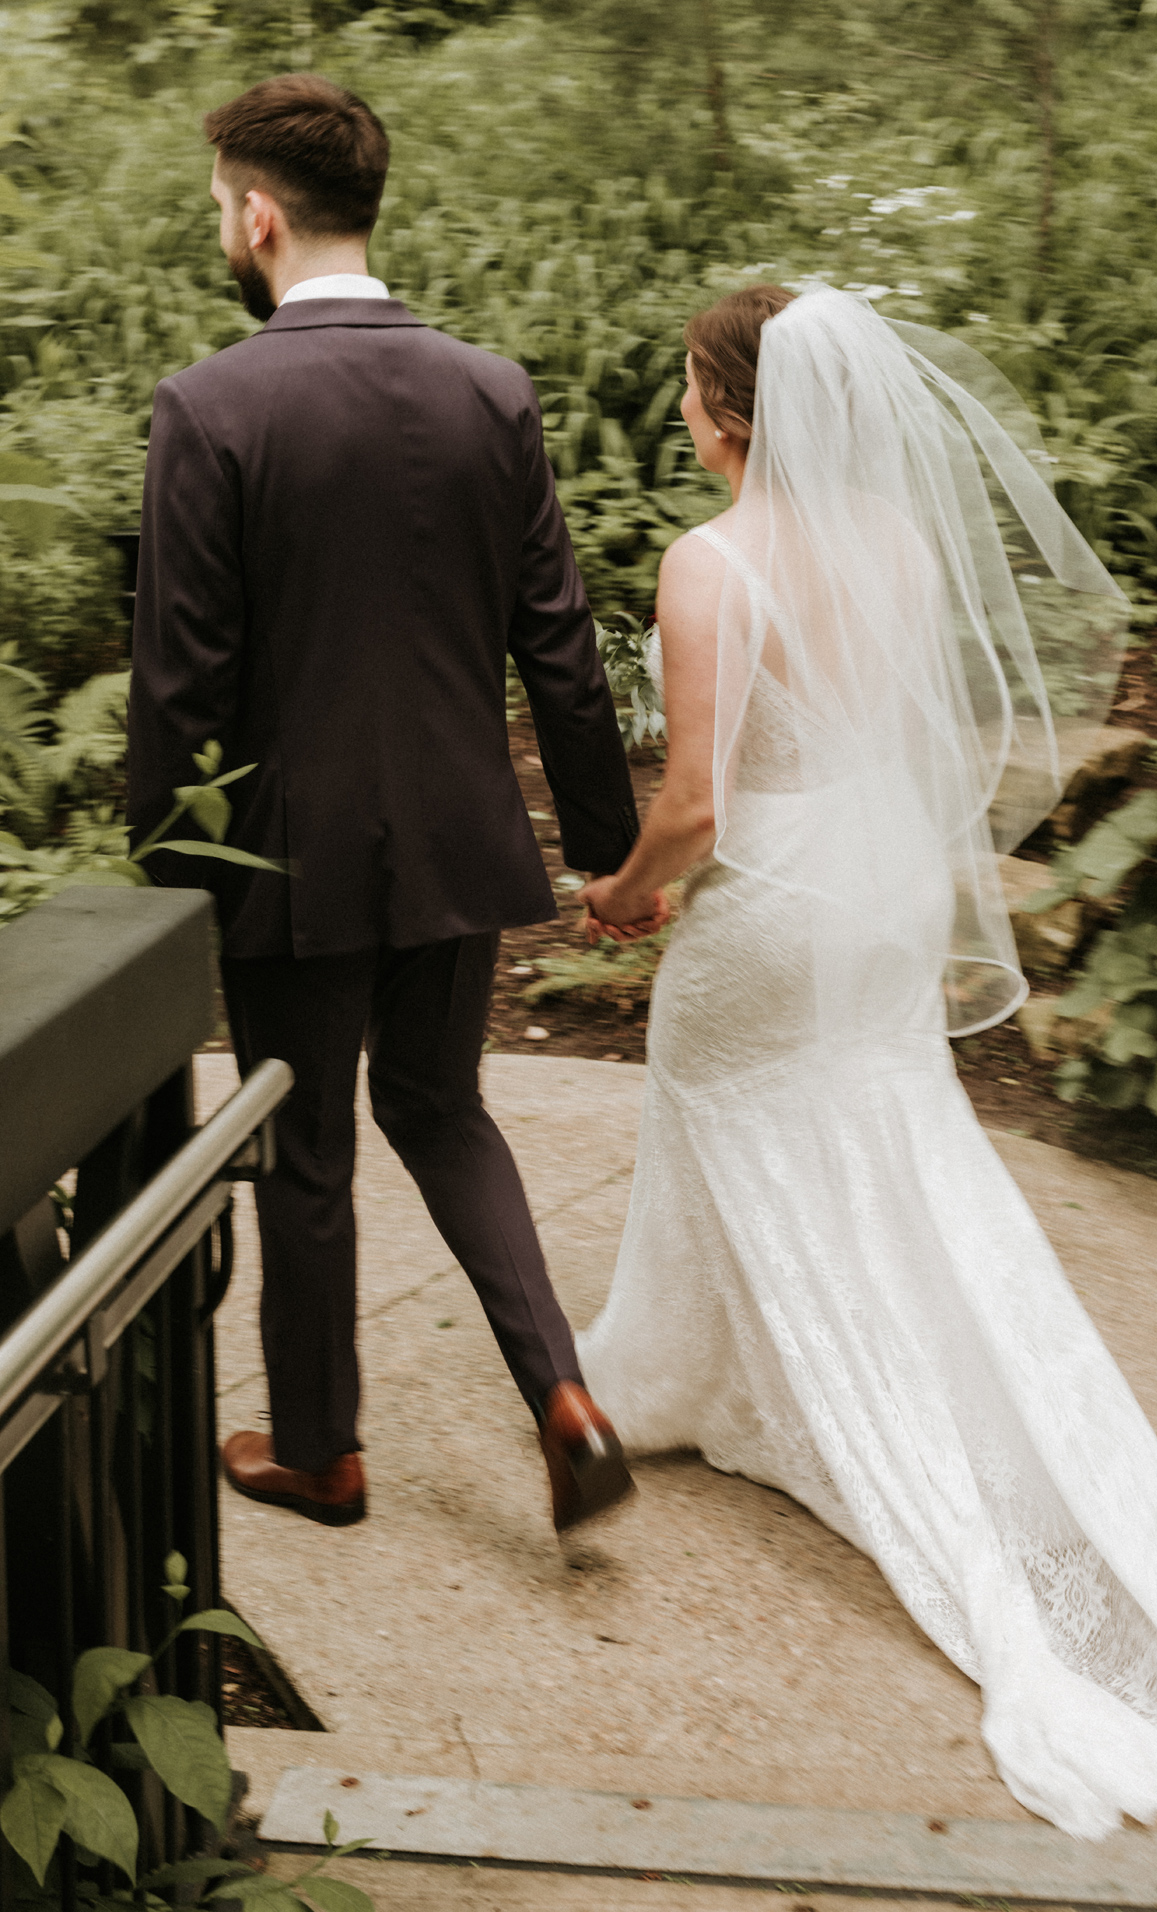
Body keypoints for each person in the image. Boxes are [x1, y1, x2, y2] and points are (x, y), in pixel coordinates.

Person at [570, 285, 1157, 1840]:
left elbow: (692, 802)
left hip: (773, 898)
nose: (684, 418)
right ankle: (742, 1376)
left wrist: (624, 893)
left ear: (731, 414)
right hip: (884, 880)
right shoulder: (892, 536)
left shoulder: (709, 561)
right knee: (895, 1138)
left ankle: (690, 1382)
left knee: (719, 1094)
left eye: (691, 393)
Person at [130, 73, 641, 1536]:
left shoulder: (211, 407)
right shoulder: (492, 390)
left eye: (220, 208)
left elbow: (180, 683)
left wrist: (168, 878)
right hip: (459, 839)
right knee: (441, 1104)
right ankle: (564, 1396)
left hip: (289, 858)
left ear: (260, 213)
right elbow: (560, 639)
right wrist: (603, 845)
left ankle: (321, 1451)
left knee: (309, 1147)